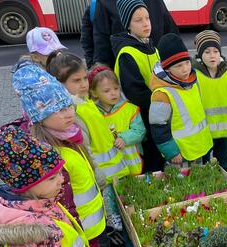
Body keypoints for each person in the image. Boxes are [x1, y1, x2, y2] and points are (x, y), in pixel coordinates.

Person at [11, 62, 121, 247]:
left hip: (89, 223)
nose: (68, 113)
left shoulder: (69, 135)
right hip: (76, 226)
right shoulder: (51, 151)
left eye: (68, 106)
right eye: (58, 110)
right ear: (40, 117)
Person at [46, 52, 128, 247]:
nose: (83, 84)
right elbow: (85, 146)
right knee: (106, 207)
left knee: (111, 202)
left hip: (109, 166)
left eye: (84, 78)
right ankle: (108, 240)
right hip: (99, 170)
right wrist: (97, 170)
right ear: (59, 83)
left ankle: (108, 237)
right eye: (76, 81)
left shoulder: (85, 101)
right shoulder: (73, 112)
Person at [112, 0, 164, 172]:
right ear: (128, 25)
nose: (145, 23)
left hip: (157, 114)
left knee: (159, 160)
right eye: (138, 20)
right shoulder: (127, 54)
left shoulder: (152, 47)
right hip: (142, 119)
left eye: (147, 18)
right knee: (150, 163)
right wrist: (161, 101)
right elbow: (135, 93)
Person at [149, 33, 213, 166]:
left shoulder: (192, 82)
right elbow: (158, 127)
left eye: (187, 63)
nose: (185, 69)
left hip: (199, 148)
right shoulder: (162, 94)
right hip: (179, 155)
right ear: (167, 69)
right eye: (178, 66)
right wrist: (171, 152)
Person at [82, 0, 179, 68]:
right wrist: (97, 70)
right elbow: (99, 42)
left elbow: (171, 32)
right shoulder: (103, 3)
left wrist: (180, 61)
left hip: (159, 70)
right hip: (125, 73)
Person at [88, 65, 146, 176]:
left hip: (132, 162)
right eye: (107, 91)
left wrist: (124, 138)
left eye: (116, 88)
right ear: (94, 93)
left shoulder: (130, 109)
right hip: (111, 169)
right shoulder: (93, 114)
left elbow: (140, 131)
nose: (113, 93)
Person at [193, 30, 227, 172]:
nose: (212, 55)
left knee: (222, 164)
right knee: (204, 166)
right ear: (200, 54)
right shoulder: (195, 74)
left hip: (224, 130)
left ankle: (225, 189)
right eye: (207, 52)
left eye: (215, 51)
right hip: (204, 131)